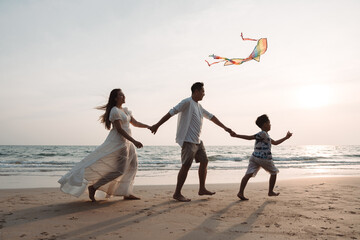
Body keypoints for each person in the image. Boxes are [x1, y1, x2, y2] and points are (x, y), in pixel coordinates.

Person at [58, 89, 150, 202]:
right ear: (116, 98)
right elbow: (120, 130)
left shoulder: (125, 110)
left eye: (123, 94)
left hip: (128, 143)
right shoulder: (114, 111)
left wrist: (148, 126)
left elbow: (135, 123)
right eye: (121, 95)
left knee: (133, 166)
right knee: (120, 170)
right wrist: (135, 141)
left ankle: (127, 192)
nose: (124, 96)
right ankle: (94, 187)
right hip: (119, 143)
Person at [150, 82, 232, 202]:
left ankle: (202, 188)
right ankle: (177, 193)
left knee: (204, 161)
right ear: (196, 91)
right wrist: (157, 125)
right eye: (202, 91)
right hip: (188, 140)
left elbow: (211, 116)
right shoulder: (187, 102)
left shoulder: (199, 106)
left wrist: (225, 128)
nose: (204, 94)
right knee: (186, 165)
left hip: (198, 141)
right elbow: (172, 112)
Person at [230, 114, 293, 200]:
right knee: (274, 172)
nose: (270, 125)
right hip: (263, 158)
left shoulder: (266, 135)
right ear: (264, 124)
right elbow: (250, 137)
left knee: (248, 174)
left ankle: (240, 192)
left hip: (254, 157)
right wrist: (236, 135)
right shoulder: (263, 133)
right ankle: (270, 192)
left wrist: (286, 137)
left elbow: (275, 143)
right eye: (269, 123)